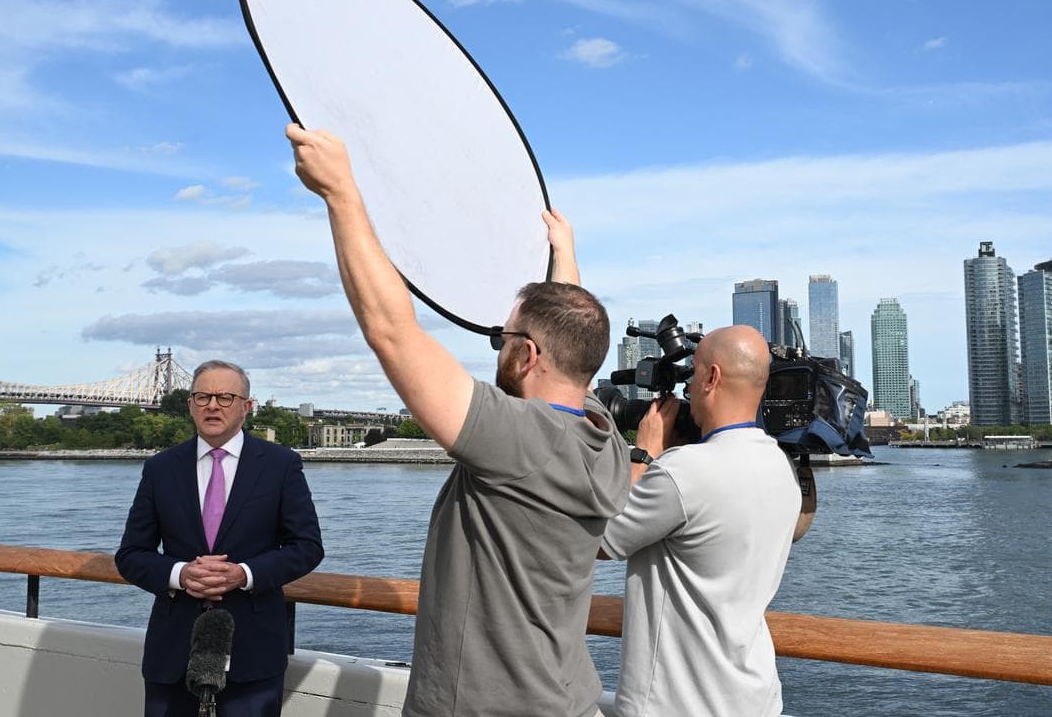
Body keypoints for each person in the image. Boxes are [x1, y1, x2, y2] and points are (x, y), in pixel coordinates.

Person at [286, 124, 629, 717]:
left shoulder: (521, 440)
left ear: (527, 355)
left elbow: (393, 332)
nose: (497, 346)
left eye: (504, 336)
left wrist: (341, 194)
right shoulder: (603, 437)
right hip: (566, 700)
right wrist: (564, 252)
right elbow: (571, 334)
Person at [600, 326, 803, 717]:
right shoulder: (782, 467)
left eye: (692, 374)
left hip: (675, 705)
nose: (686, 387)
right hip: (755, 700)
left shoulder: (685, 472)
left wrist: (643, 454)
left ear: (712, 377)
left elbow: (601, 540)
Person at [116, 360, 324, 717]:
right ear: (190, 405)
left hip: (254, 650)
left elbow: (307, 546)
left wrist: (245, 574)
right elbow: (131, 554)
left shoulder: (281, 464)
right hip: (173, 651)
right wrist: (179, 574)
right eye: (203, 396)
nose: (212, 405)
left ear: (247, 406)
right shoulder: (160, 468)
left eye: (225, 397)